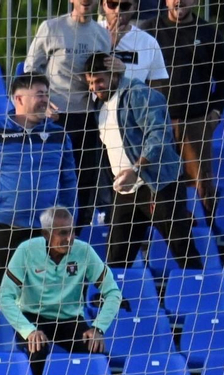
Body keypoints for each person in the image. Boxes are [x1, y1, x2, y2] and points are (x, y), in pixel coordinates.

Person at [0, 73, 81, 301]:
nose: (45, 99)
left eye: (47, 94)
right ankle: (8, 337)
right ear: (18, 99)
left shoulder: (58, 135)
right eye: (39, 94)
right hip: (5, 227)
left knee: (45, 297)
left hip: (47, 230)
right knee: (5, 295)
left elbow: (69, 180)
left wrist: (68, 219)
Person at [84, 53, 202, 271]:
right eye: (90, 82)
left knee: (182, 248)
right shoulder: (98, 106)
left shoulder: (140, 95)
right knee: (117, 258)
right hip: (125, 190)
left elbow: (158, 134)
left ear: (115, 75)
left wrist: (136, 169)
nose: (94, 87)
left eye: (99, 80)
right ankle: (117, 304)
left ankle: (203, 296)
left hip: (157, 185)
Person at [0, 205, 124, 375]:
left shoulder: (84, 251)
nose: (69, 238)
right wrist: (28, 331)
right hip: (33, 317)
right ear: (46, 234)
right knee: (37, 349)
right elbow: (4, 297)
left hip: (69, 318)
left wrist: (98, 327)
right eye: (62, 233)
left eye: (72, 232)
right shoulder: (26, 251)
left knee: (94, 349)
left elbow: (113, 293)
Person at [25, 0, 114, 225]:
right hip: (55, 117)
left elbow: (104, 76)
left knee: (83, 182)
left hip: (87, 118)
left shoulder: (102, 35)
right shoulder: (51, 28)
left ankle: (77, 234)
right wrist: (42, 103)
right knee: (51, 178)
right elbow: (30, 70)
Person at [147, 0, 224, 217]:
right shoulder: (148, 31)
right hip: (157, 125)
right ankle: (156, 237)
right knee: (156, 186)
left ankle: (208, 238)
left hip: (196, 122)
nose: (179, 1)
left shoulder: (208, 32)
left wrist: (215, 111)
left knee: (201, 187)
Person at [103, 0, 170, 84]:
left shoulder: (149, 42)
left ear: (134, 7)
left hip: (133, 95)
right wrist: (110, 44)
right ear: (103, 5)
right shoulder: (91, 33)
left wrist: (124, 72)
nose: (118, 11)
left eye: (125, 6)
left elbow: (155, 88)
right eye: (112, 5)